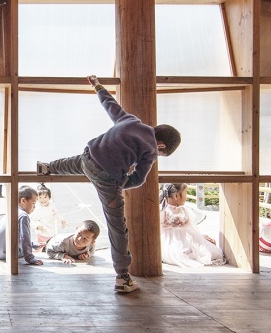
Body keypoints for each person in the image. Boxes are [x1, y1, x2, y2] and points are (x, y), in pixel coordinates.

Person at [37, 75, 180, 293]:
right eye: (162, 153)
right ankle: (123, 277)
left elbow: (109, 104)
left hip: (90, 157)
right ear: (160, 145)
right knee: (117, 227)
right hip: (108, 178)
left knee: (76, 163)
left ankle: (47, 167)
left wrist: (98, 86)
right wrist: (120, 184)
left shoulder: (131, 120)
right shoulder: (151, 149)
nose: (158, 154)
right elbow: (139, 178)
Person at [159, 183, 225, 267]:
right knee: (181, 254)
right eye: (185, 193)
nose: (186, 196)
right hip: (170, 243)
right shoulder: (164, 211)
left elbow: (191, 229)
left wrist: (201, 238)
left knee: (208, 250)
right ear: (176, 196)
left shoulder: (182, 210)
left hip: (182, 241)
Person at [0, 186, 43, 265]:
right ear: (23, 201)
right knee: (23, 250)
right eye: (33, 203)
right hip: (5, 253)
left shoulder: (11, 211)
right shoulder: (23, 215)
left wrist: (33, 245)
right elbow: (24, 238)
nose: (34, 207)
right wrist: (30, 258)